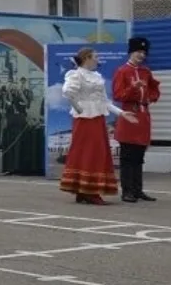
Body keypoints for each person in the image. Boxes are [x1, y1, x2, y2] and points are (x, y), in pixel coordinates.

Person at [59, 46, 137, 205]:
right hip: (84, 118)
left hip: (97, 118)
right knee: (88, 152)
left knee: (97, 152)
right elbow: (67, 92)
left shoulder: (96, 76)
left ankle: (85, 190)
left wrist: (122, 113)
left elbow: (104, 101)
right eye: (95, 57)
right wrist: (78, 107)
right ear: (86, 58)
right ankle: (88, 191)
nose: (98, 60)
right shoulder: (76, 74)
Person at [113, 36, 160, 203]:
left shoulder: (146, 72)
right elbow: (118, 95)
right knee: (127, 156)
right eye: (138, 52)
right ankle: (127, 191)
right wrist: (133, 87)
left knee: (139, 156)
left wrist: (151, 97)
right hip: (129, 114)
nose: (141, 55)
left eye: (144, 52)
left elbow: (154, 88)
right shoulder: (122, 71)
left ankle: (138, 190)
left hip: (143, 115)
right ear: (131, 52)